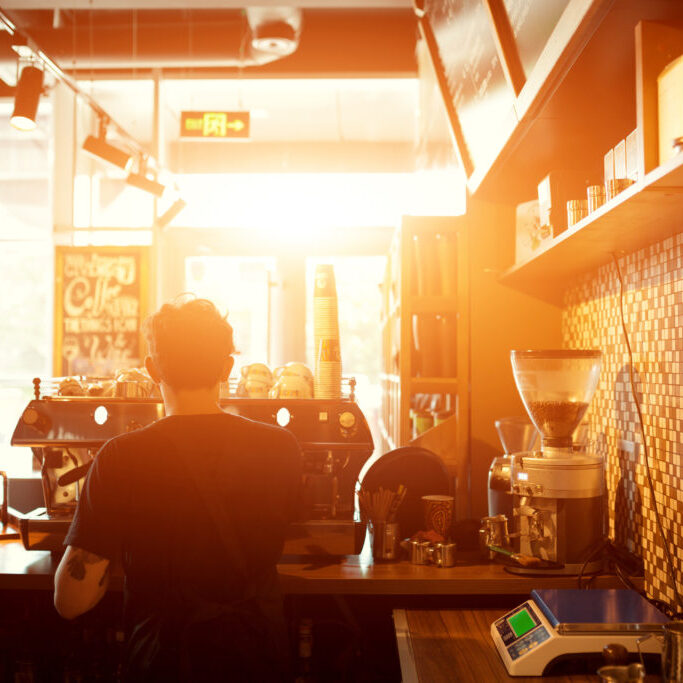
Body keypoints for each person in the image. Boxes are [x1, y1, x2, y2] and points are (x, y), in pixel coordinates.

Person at [54, 297, 302, 682]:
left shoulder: (122, 456)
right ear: (227, 368)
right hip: (256, 655)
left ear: (152, 369)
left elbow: (72, 601)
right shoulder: (281, 447)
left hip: (164, 660)